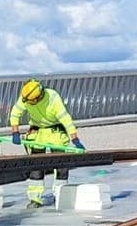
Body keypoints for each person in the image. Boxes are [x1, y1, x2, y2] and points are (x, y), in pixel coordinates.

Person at [9, 78, 84, 206]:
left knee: (60, 164)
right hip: (38, 132)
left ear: (38, 97)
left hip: (55, 131)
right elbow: (15, 113)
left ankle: (60, 194)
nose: (29, 104)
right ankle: (35, 198)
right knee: (36, 165)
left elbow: (65, 119)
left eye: (32, 102)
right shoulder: (25, 98)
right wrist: (15, 131)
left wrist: (74, 138)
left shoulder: (52, 98)